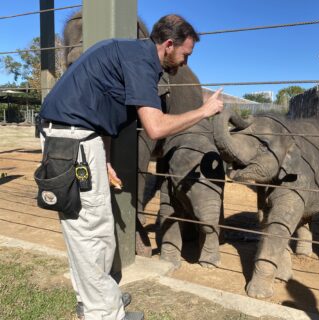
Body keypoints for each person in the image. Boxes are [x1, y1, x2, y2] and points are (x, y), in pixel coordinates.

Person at [38, 14, 223, 320]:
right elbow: (155, 128)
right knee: (89, 231)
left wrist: (106, 158)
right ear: (167, 45)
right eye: (185, 54)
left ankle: (101, 298)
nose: (185, 61)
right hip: (73, 142)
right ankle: (104, 313)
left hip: (83, 138)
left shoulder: (130, 54)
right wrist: (204, 110)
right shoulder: (142, 62)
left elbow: (103, 111)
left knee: (97, 227)